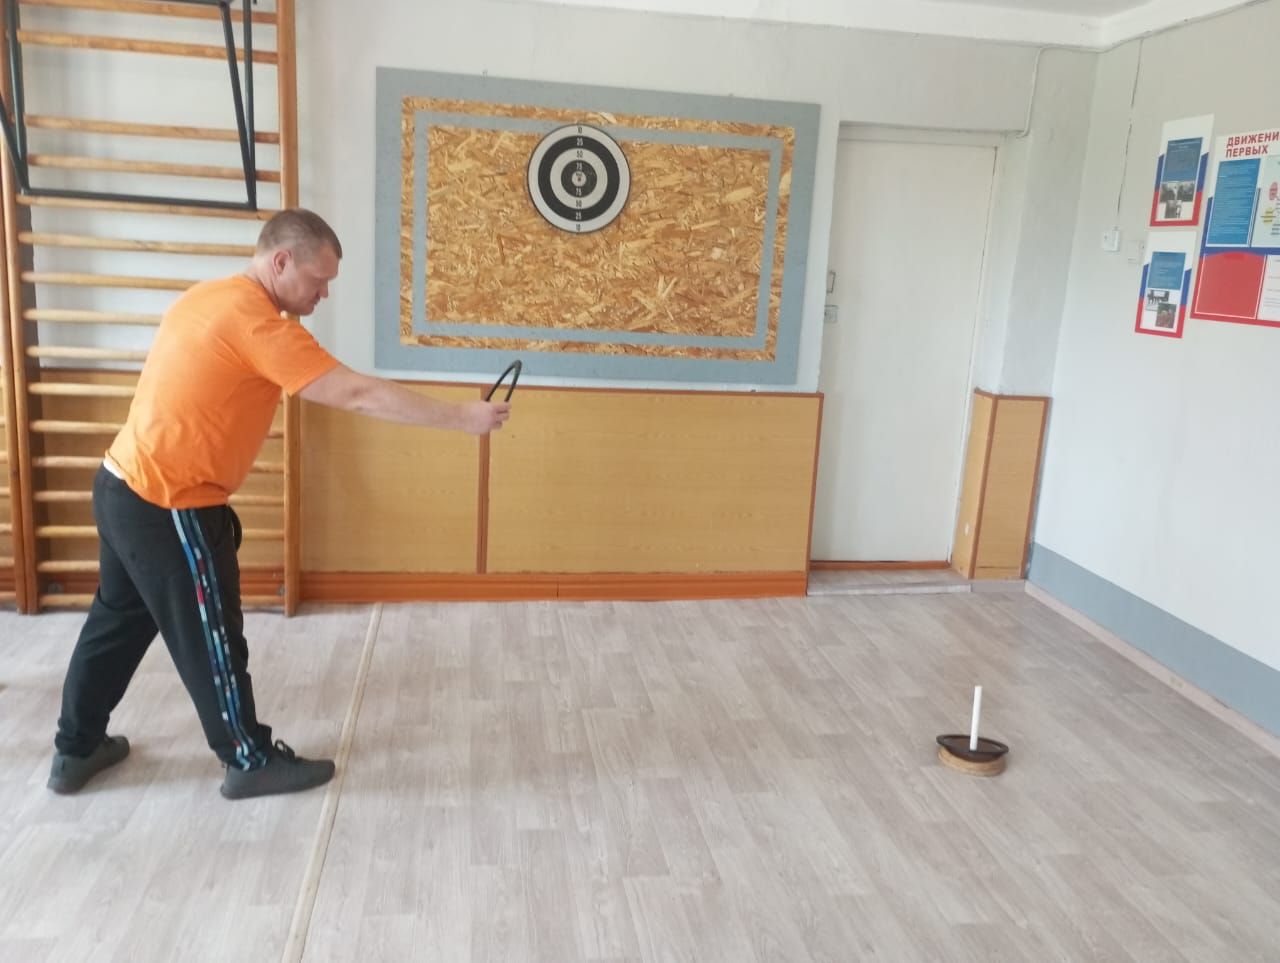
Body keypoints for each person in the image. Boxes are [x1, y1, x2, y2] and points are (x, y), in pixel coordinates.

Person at [46, 208, 510, 800]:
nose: (323, 294)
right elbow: (359, 394)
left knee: (116, 623)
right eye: (318, 281)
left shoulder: (209, 297)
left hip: (121, 485)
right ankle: (249, 760)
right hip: (170, 504)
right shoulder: (257, 325)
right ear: (281, 261)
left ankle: (76, 748)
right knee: (213, 637)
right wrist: (463, 418)